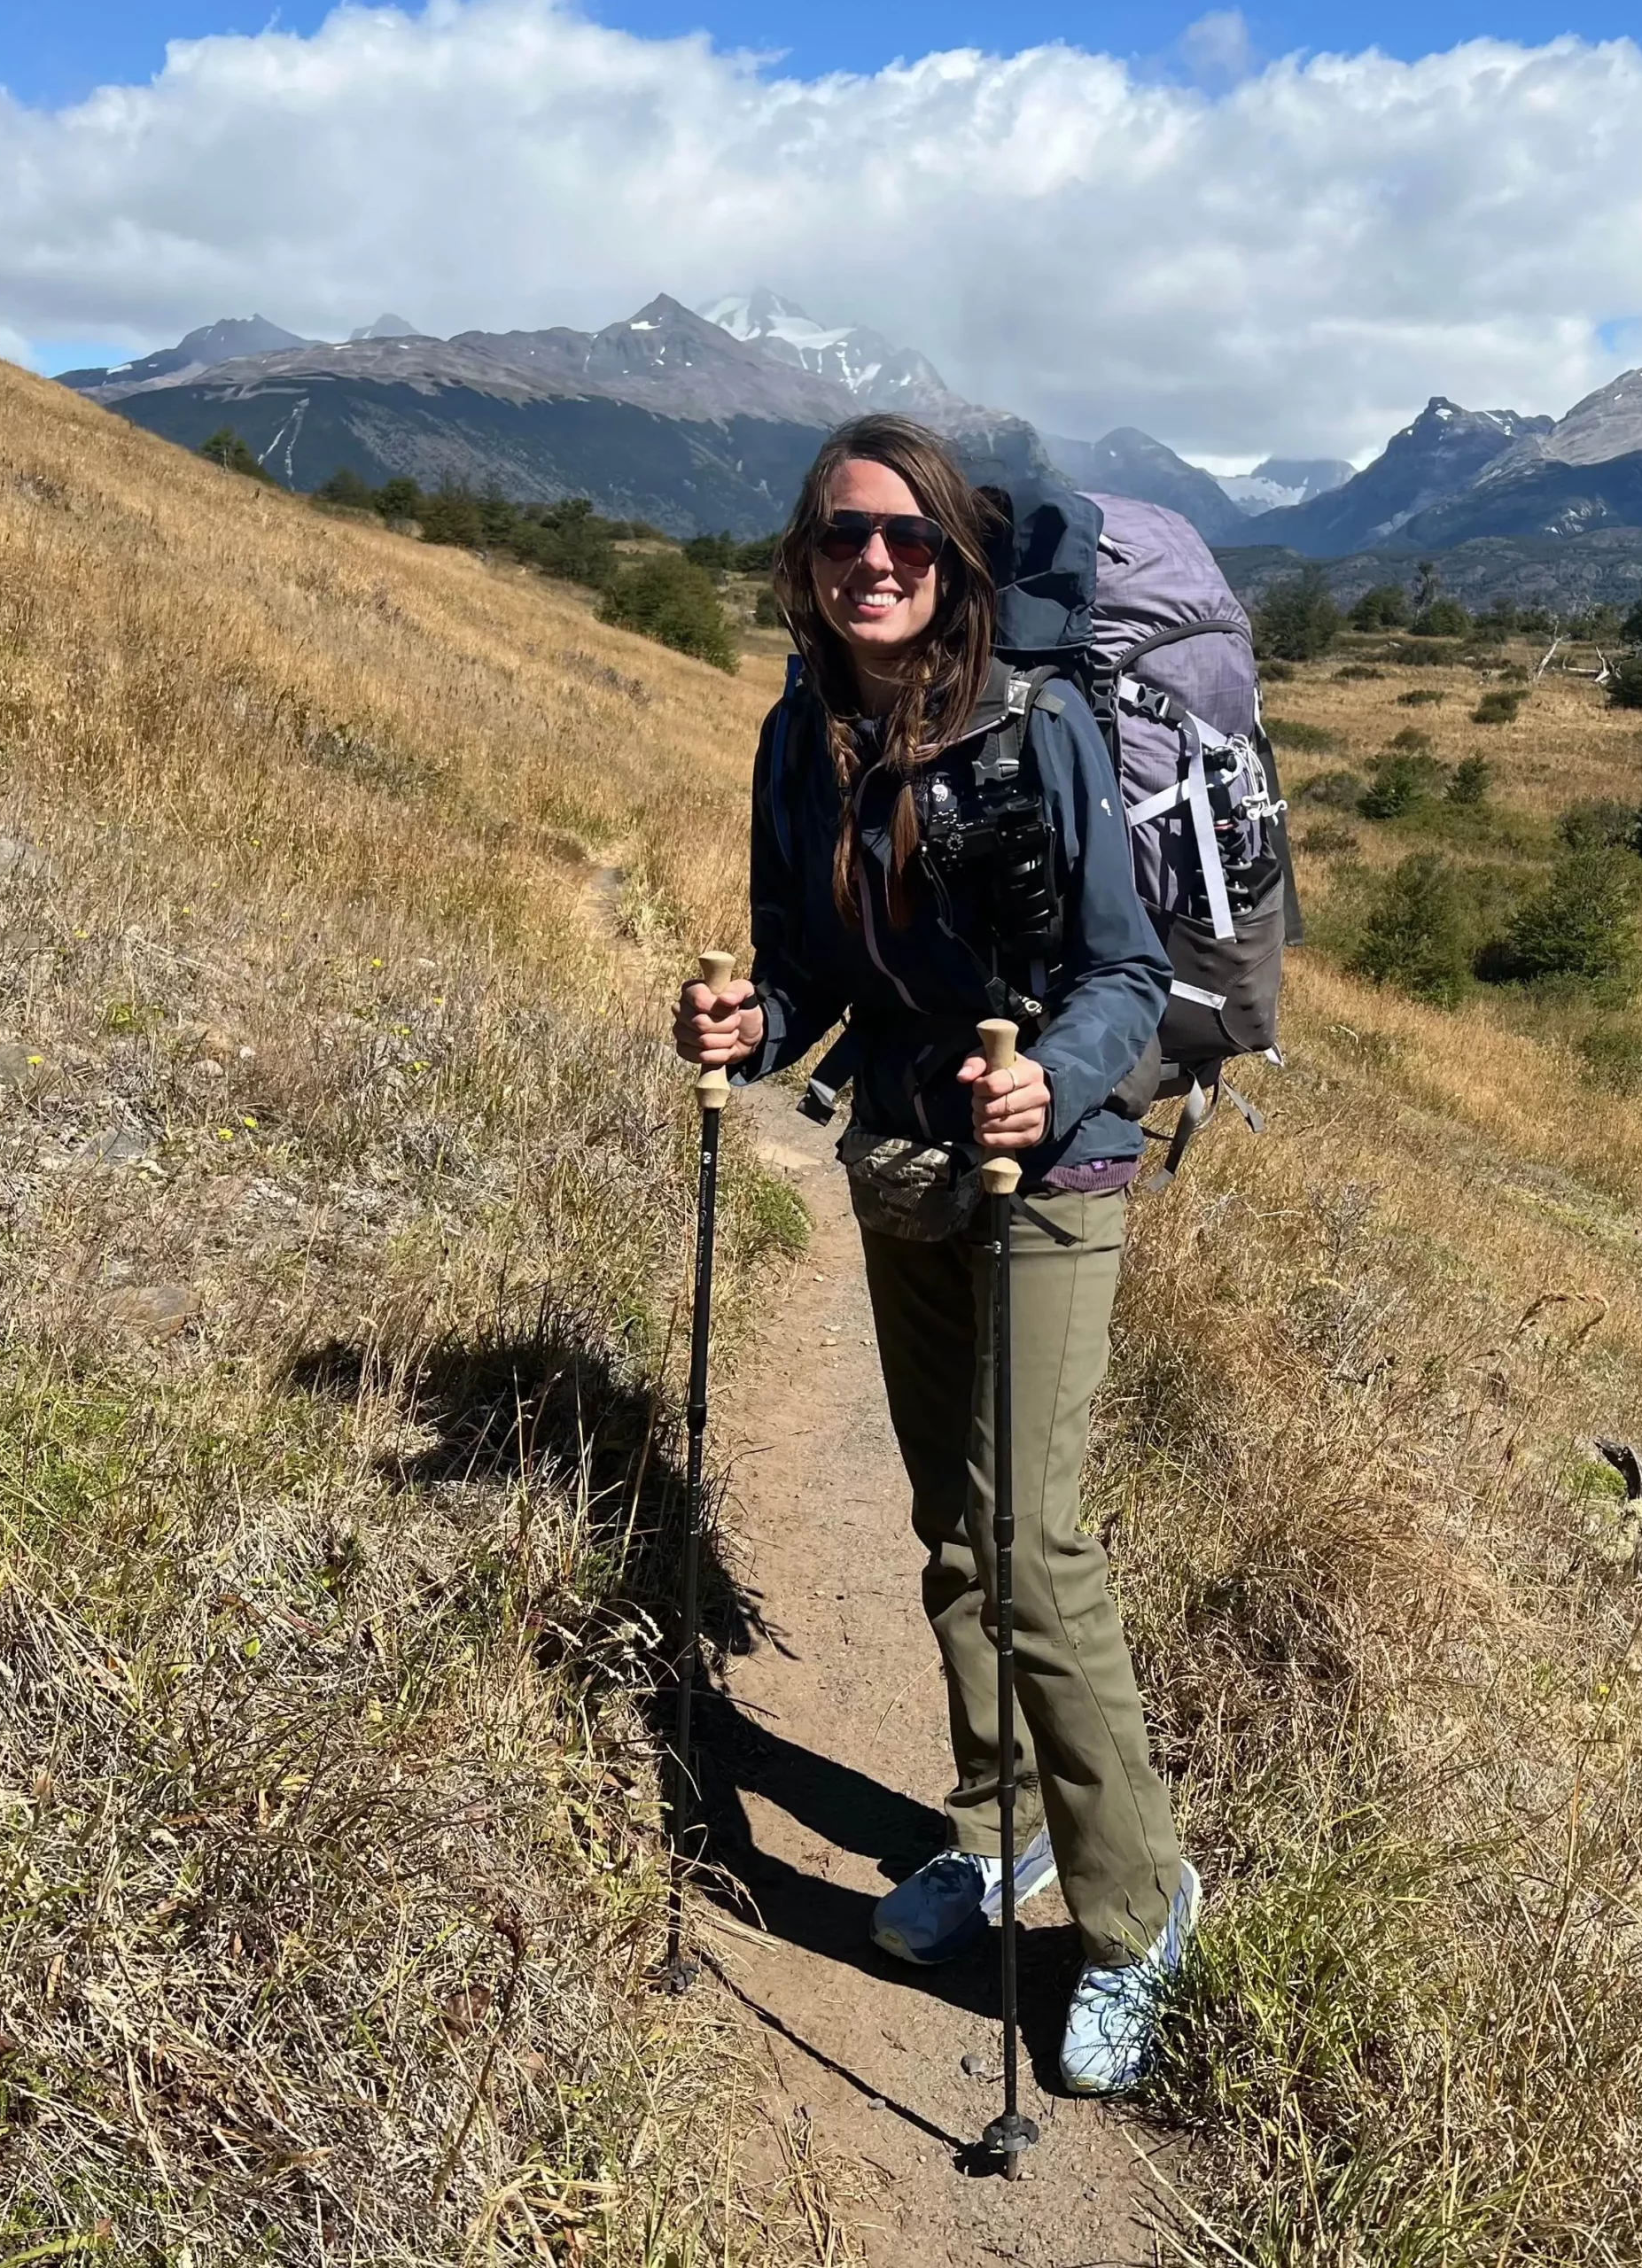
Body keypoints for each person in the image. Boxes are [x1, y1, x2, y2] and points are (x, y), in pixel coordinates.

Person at [675, 414, 1199, 2096]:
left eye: (904, 537)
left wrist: (1051, 1074)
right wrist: (749, 1024)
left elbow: (1130, 974)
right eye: (841, 538)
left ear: (956, 559)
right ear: (805, 560)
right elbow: (804, 977)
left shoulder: (1036, 725)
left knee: (1035, 1538)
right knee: (949, 1525)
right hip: (905, 1152)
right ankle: (995, 1824)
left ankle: (1136, 1910)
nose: (872, 562)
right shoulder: (795, 737)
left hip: (1057, 1157)